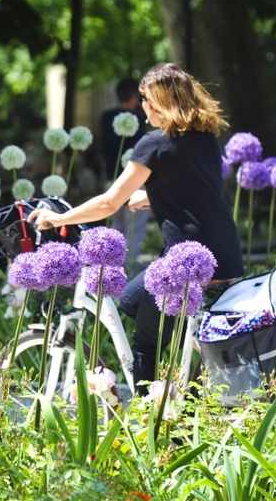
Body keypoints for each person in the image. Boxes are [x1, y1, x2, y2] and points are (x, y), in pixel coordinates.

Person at [30, 63, 244, 395]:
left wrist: (57, 219)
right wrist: (154, 194)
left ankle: (152, 424)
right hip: (225, 255)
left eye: (146, 98)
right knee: (131, 301)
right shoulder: (205, 137)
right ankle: (185, 378)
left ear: (157, 102)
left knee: (144, 341)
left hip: (185, 262)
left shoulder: (154, 144)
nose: (143, 105)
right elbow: (195, 187)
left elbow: (109, 203)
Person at [100, 77, 150, 263]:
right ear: (135, 97)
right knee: (134, 228)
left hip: (110, 177)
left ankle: (111, 265)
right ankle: (127, 267)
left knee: (116, 226)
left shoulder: (106, 117)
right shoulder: (137, 118)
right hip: (132, 182)